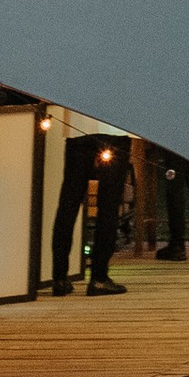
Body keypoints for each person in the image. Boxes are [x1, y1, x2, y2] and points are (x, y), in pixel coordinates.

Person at [49, 112, 130, 296]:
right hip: (114, 127)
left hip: (78, 126)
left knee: (69, 202)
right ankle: (99, 277)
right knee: (108, 206)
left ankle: (59, 278)